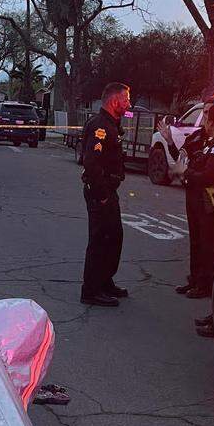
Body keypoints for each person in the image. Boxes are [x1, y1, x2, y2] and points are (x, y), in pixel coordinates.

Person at [161, 103, 214, 299]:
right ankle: (196, 279)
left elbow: (209, 176)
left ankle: (206, 284)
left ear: (213, 122)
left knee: (209, 244)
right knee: (197, 242)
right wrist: (171, 144)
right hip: (199, 201)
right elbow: (188, 157)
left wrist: (185, 173)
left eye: (207, 117)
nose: (204, 120)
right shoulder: (208, 141)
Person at [79, 82, 131, 307]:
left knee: (114, 238)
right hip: (100, 192)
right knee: (99, 241)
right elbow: (92, 163)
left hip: (109, 190)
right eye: (126, 99)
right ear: (114, 101)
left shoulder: (112, 124)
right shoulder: (100, 126)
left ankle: (105, 281)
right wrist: (101, 195)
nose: (129, 103)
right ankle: (91, 290)